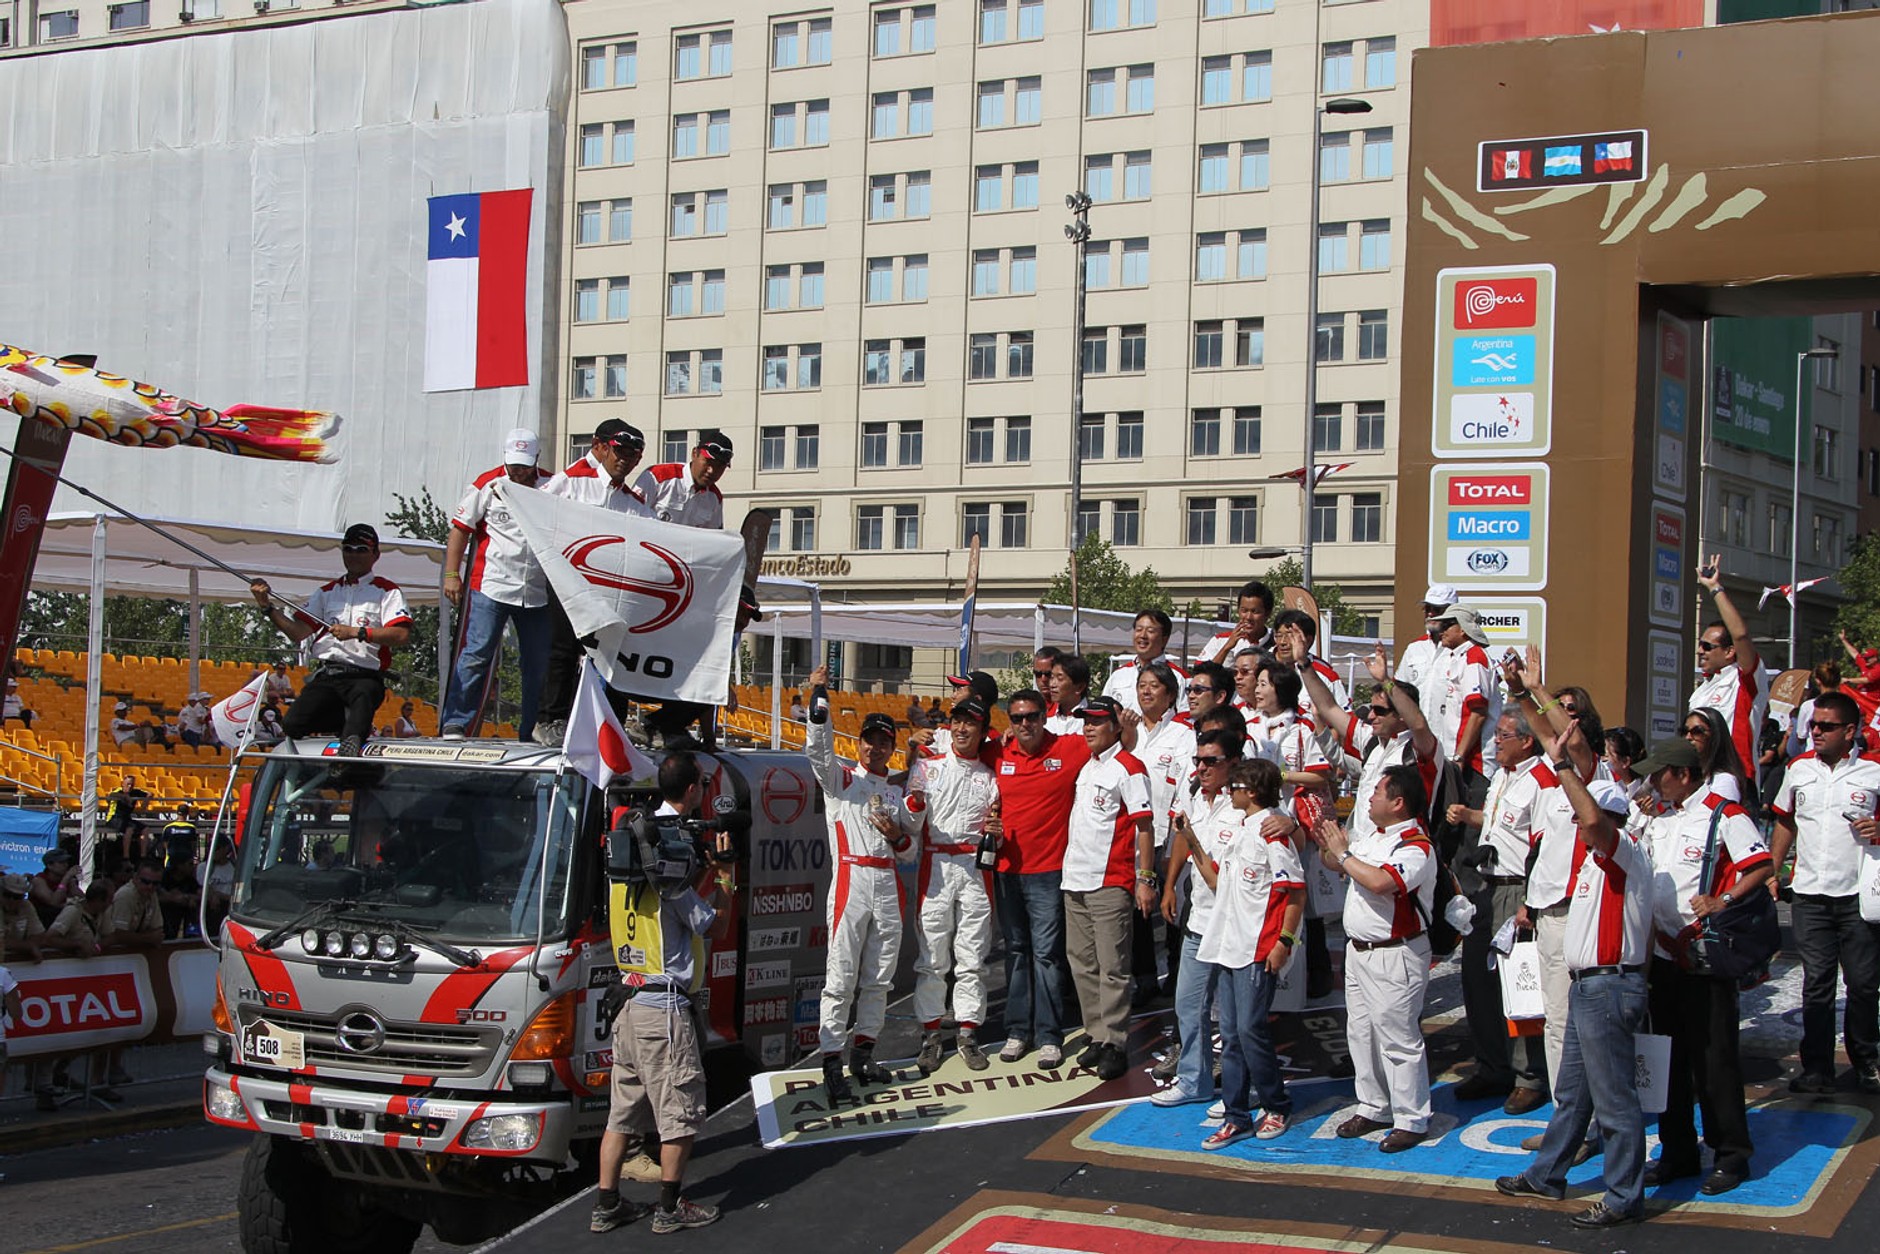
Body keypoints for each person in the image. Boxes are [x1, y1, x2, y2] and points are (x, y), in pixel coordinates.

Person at [1495, 766, 1655, 1229]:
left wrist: (1563, 768)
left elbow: (1596, 822)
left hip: (1607, 986)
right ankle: (1547, 1174)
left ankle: (1623, 1196)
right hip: (1590, 985)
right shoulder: (1595, 863)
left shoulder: (1622, 851)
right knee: (1572, 1093)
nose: (1578, 828)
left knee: (1614, 1101)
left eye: (1584, 820)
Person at [590, 751, 731, 1235]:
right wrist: (726, 876)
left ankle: (606, 1205)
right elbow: (713, 925)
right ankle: (670, 1208)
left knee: (621, 1115)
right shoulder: (667, 873)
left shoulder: (626, 865)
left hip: (628, 1002)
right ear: (692, 789)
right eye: (702, 785)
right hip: (663, 1011)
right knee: (680, 1115)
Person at [1634, 736, 1773, 1195]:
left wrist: (1722, 899)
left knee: (1714, 1061)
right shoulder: (1660, 819)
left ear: (1683, 774)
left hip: (1704, 955)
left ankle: (1731, 1154)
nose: (1653, 782)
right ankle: (1678, 1151)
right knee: (1668, 1060)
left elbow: (1761, 866)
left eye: (1660, 774)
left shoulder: (1724, 814)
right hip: (1663, 956)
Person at [804, 664, 920, 1100]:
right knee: (841, 974)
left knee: (880, 975)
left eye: (883, 741)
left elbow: (909, 851)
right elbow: (817, 751)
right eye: (869, 739)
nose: (875, 747)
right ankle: (831, 1060)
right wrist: (819, 698)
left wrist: (897, 837)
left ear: (891, 747)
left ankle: (865, 1052)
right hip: (851, 878)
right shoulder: (841, 781)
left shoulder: (895, 791)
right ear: (859, 743)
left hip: (887, 879)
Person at [1315, 765, 1438, 1153]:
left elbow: (1381, 882)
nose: (1369, 798)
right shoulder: (1373, 836)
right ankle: (1374, 1106)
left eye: (1378, 792)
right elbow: (1337, 863)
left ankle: (1411, 1118)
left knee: (1398, 1039)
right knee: (1362, 1033)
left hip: (1395, 953)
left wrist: (1343, 852)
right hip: (1359, 950)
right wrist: (1327, 839)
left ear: (1398, 802)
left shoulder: (1416, 846)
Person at [1768, 690, 1880, 1095]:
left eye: (1826, 726)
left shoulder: (1873, 771)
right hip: (1809, 894)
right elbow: (1785, 821)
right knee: (1816, 983)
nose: (1815, 731)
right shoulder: (1797, 769)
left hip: (1858, 897)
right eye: (1813, 724)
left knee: (1863, 985)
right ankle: (1816, 1068)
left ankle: (1866, 1062)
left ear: (1850, 731)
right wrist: (1772, 870)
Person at [1192, 758, 1304, 1147]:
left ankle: (1276, 1105)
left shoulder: (1273, 834)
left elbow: (1295, 892)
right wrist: (1189, 838)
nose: (1229, 792)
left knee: (1249, 1030)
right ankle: (1237, 1115)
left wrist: (1284, 942)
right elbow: (1215, 880)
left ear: (1252, 791)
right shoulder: (1241, 831)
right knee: (1231, 1035)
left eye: (1235, 787)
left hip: (1258, 949)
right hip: (1228, 946)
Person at [1445, 709, 1551, 1113]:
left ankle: (1529, 1075)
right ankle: (1493, 1065)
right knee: (1478, 979)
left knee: (1518, 984)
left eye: (1504, 735)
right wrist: (1469, 816)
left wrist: (1531, 901)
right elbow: (1500, 825)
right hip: (1486, 885)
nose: (1495, 741)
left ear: (1526, 740)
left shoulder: (1541, 780)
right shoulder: (1500, 778)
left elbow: (1542, 843)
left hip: (1517, 888)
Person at [530, 419, 652, 747]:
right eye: (619, 450)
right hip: (567, 581)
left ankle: (612, 725)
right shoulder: (571, 481)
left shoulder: (635, 503)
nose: (625, 459)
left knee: (614, 656)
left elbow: (657, 542)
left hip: (610, 590)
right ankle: (550, 720)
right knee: (563, 651)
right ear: (602, 448)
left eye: (633, 454)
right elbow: (532, 511)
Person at [249, 523, 412, 757]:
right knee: (292, 724)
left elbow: (401, 635)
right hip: (328, 675)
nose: (354, 554)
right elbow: (297, 632)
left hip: (365, 676)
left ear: (375, 554)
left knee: (360, 709)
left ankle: (351, 743)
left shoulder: (387, 591)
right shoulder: (326, 592)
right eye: (348, 549)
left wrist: (357, 632)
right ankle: (345, 722)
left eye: (361, 549)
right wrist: (267, 607)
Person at [990, 688, 1089, 1069]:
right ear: (1009, 722)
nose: (1025, 724)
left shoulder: (1068, 748)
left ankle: (1049, 1036)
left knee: (1047, 955)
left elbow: (1119, 737)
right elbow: (958, 750)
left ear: (1045, 717)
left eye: (1032, 716)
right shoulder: (997, 752)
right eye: (1017, 718)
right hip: (1007, 870)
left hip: (1049, 872)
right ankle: (1017, 1031)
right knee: (1016, 952)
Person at [1063, 695, 1156, 1081]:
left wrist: (1145, 878)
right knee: (1082, 963)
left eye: (1097, 721)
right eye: (1085, 721)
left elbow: (1145, 826)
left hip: (1110, 880)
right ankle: (1097, 1033)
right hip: (1075, 878)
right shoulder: (1087, 767)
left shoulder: (1129, 767)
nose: (1089, 727)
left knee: (1113, 967)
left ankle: (1116, 1042)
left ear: (1117, 727)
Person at [908, 694, 1000, 1072]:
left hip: (976, 868)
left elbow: (999, 829)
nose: (962, 729)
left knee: (972, 957)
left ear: (982, 731)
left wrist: (998, 831)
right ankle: (931, 1034)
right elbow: (909, 823)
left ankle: (967, 1032)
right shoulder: (926, 768)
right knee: (932, 958)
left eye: (970, 723)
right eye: (957, 721)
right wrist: (912, 805)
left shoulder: (991, 777)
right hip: (936, 865)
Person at [440, 428, 549, 741]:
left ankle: (532, 730)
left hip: (537, 590)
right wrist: (452, 574)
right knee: (476, 654)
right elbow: (460, 529)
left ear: (536, 459)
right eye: (513, 465)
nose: (518, 471)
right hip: (492, 584)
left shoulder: (553, 486)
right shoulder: (486, 483)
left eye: (524, 465)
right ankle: (455, 722)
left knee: (538, 664)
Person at [1153, 728, 1241, 1104]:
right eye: (1198, 761)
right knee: (1188, 1005)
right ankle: (1194, 1082)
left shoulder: (1246, 803)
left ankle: (1239, 1091)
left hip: (1235, 925)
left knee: (1235, 1019)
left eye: (1210, 761)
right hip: (1199, 918)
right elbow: (1182, 839)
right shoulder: (1193, 796)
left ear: (1233, 763)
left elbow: (1290, 835)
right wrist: (1170, 886)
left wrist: (1289, 824)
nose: (1201, 768)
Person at [1125, 662, 1196, 1003]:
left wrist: (1174, 838)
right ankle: (1145, 978)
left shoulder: (1183, 734)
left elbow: (1184, 787)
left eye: (1154, 685)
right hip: (1133, 834)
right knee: (1137, 911)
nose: (1146, 691)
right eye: (1142, 685)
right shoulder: (1128, 731)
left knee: (1172, 906)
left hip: (1167, 834)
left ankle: (1177, 973)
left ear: (1170, 695)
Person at [1688, 555, 1765, 800]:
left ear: (1730, 652)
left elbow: (1740, 635)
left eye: (1707, 646)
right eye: (1700, 644)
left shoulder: (1744, 679)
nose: (1700, 651)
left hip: (1737, 779)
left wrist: (1715, 588)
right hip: (1701, 782)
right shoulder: (1700, 691)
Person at [1101, 608, 1189, 713]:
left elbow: (1186, 716)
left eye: (1150, 631)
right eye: (1139, 630)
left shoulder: (1179, 678)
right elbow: (1104, 712)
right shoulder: (1118, 675)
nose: (1143, 636)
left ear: (1165, 639)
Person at [636, 433, 731, 529]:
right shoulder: (657, 476)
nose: (711, 471)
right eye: (708, 462)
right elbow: (632, 516)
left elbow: (713, 535)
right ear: (694, 454)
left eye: (719, 467)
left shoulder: (715, 498)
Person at [1395, 584, 1458, 701]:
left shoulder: (1463, 649)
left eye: (1437, 609)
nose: (1430, 614)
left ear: (1453, 612)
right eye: (1427, 609)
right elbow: (1399, 689)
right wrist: (1384, 679)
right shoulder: (1414, 648)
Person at [1194, 580, 1275, 665]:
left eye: (1255, 612)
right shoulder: (1220, 641)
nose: (1248, 617)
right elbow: (1199, 671)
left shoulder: (1276, 647)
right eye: (1244, 611)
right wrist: (1226, 648)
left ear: (1267, 614)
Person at [105, 857, 165, 949]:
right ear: (135, 878)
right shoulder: (125, 895)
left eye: (155, 883)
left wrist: (142, 937)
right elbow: (119, 935)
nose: (150, 886)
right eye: (145, 881)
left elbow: (158, 930)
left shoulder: (151, 894)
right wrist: (148, 938)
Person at [30, 847, 80, 928]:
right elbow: (54, 902)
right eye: (61, 862)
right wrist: (66, 878)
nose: (66, 865)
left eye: (66, 862)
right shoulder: (39, 880)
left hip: (61, 922)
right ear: (50, 865)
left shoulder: (68, 880)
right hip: (41, 922)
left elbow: (82, 899)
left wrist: (71, 883)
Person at [1, 873, 47, 962]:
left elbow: (39, 936)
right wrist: (28, 946)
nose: (11, 900)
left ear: (23, 897)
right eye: (7, 894)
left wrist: (28, 946)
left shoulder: (26, 906)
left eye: (17, 897)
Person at [1046, 656, 1092, 735]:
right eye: (1052, 677)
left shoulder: (1093, 722)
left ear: (1079, 687)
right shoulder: (1045, 719)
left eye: (1060, 678)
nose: (1052, 684)